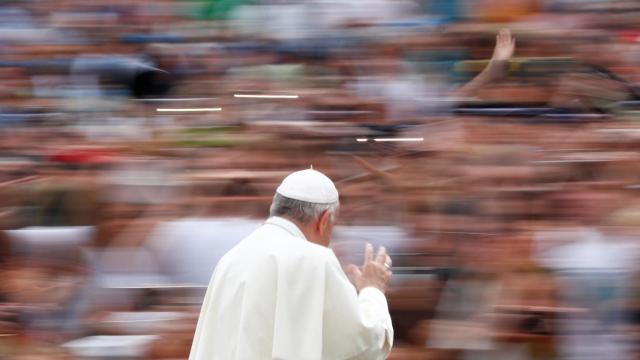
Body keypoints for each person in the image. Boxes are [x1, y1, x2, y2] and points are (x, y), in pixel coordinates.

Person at [189, 168, 394, 360]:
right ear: (324, 221)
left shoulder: (231, 258)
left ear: (274, 209)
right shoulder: (316, 261)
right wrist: (372, 290)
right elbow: (364, 344)